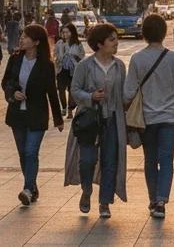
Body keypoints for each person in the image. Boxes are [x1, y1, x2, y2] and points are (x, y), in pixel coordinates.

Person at [124, 13, 174, 221]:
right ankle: (162, 201)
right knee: (166, 160)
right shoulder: (173, 58)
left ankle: (153, 199)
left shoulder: (137, 58)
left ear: (144, 34)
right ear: (165, 33)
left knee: (150, 161)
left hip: (147, 118)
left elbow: (128, 92)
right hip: (171, 117)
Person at [66, 23, 127, 218]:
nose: (116, 43)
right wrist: (90, 97)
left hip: (112, 119)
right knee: (88, 159)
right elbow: (74, 91)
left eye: (116, 39)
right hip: (89, 121)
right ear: (99, 44)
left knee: (110, 161)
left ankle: (105, 202)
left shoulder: (119, 66)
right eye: (112, 40)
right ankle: (86, 190)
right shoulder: (85, 65)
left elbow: (124, 94)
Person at [3, 24, 64, 207]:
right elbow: (6, 81)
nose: (22, 38)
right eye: (22, 35)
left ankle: (27, 188)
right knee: (23, 153)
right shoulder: (15, 59)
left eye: (26, 36)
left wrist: (58, 118)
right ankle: (33, 187)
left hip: (37, 113)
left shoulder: (46, 64)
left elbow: (52, 92)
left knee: (31, 151)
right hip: (17, 114)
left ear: (36, 42)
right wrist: (13, 93)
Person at [54, 23, 85, 118]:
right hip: (61, 69)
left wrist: (75, 57)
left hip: (73, 70)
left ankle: (70, 109)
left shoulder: (77, 44)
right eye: (63, 32)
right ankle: (63, 107)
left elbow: (82, 55)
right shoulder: (59, 43)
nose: (65, 34)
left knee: (72, 90)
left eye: (67, 32)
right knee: (61, 89)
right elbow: (55, 54)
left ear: (72, 33)